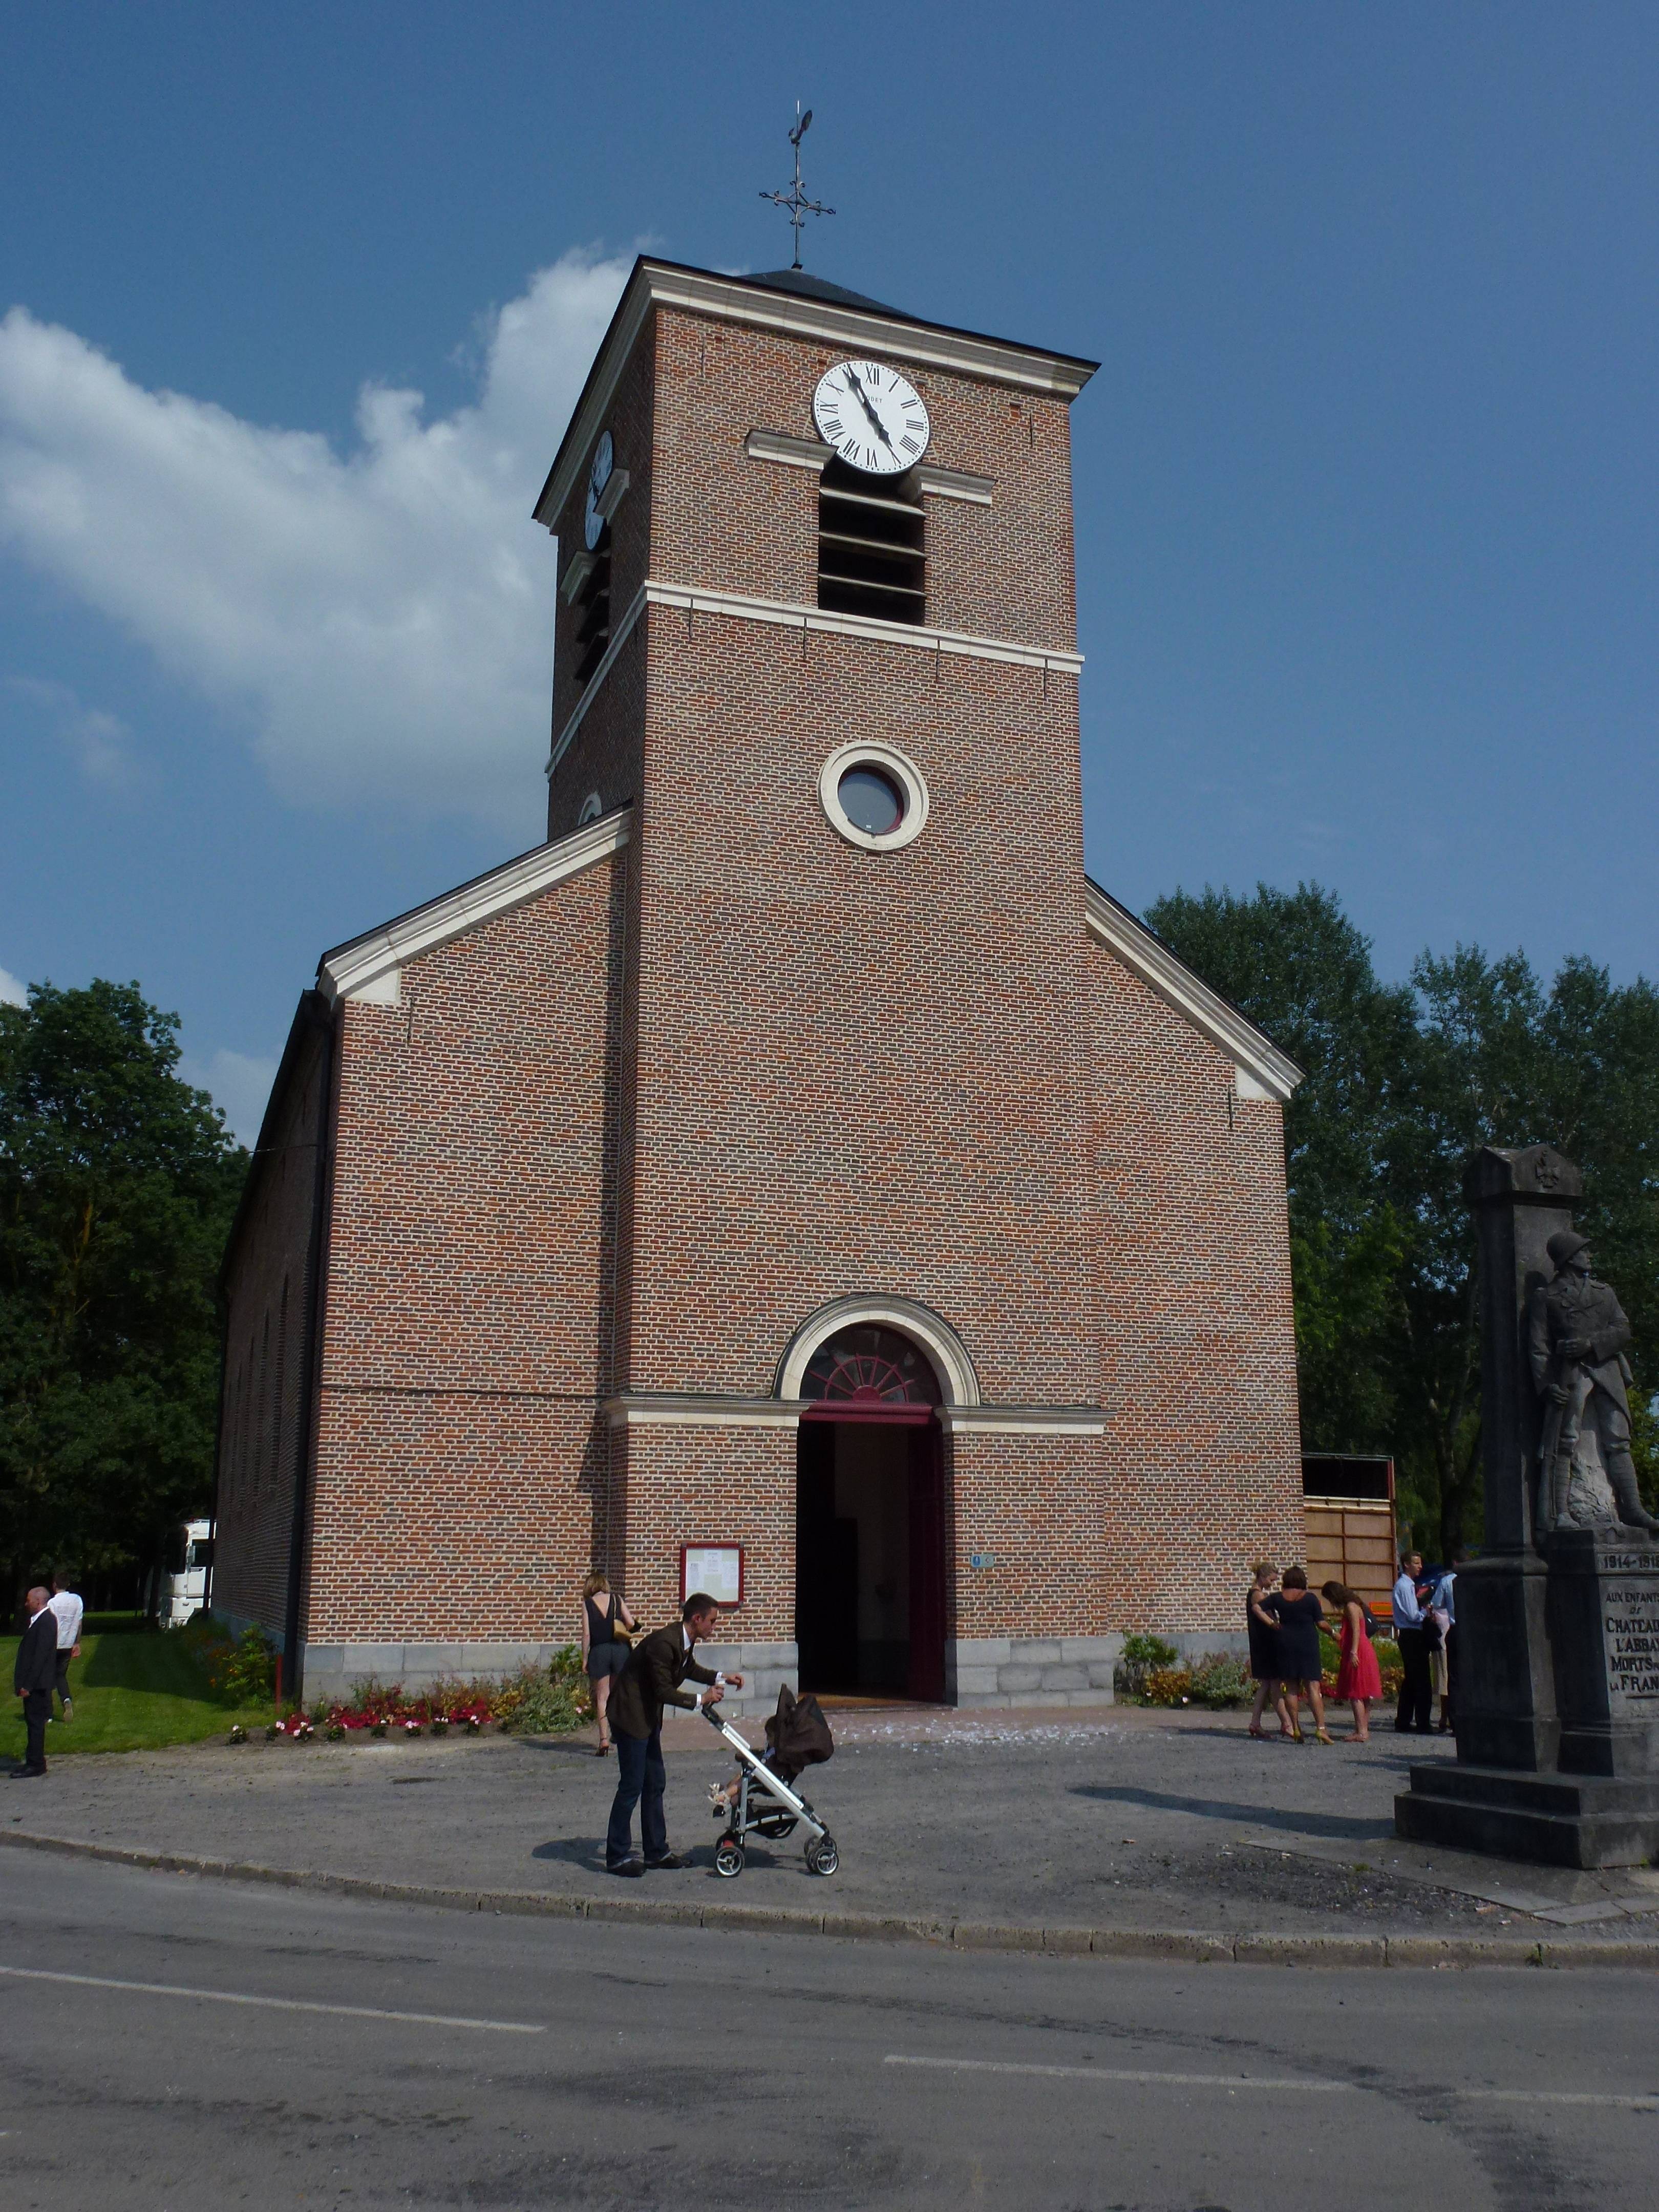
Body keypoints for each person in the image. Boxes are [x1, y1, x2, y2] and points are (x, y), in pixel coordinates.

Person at [1529, 1228, 1659, 1536]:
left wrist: (1590, 1343)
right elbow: (1538, 1348)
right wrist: (1547, 1385)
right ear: (1570, 1258)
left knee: (1618, 1440)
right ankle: (1560, 1512)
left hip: (1607, 1369)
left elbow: (1623, 1329)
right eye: (1584, 1251)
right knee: (1565, 1441)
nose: (1589, 1255)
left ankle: (1634, 1509)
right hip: (1570, 1374)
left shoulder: (1605, 1292)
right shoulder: (1546, 1298)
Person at [605, 1592, 744, 1877]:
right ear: (697, 1619)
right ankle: (616, 1856)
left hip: (646, 1718)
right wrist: (701, 1699)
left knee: (655, 1782)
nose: (714, 1627)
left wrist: (721, 1677)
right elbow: (663, 1691)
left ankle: (656, 1853)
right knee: (632, 1786)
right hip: (630, 1716)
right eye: (712, 1622)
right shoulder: (664, 1643)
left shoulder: (683, 1641)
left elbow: (688, 1667)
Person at [1266, 1567, 1330, 1743]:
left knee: (1292, 1687)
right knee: (1313, 1686)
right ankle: (1321, 1728)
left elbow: (1257, 1606)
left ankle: (1295, 1727)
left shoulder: (1278, 1598)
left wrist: (1272, 1623)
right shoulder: (1310, 1599)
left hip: (1286, 1643)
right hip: (1307, 1644)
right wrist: (1333, 1633)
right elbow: (1321, 1623)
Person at [580, 1569, 636, 1757]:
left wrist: (585, 1658)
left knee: (602, 1697)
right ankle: (622, 1734)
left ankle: (604, 1740)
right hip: (620, 1649)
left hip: (599, 1651)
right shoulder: (617, 1599)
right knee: (618, 1695)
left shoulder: (587, 1605)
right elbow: (630, 1623)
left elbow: (587, 1634)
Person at [1321, 1581, 1381, 1742]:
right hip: (1363, 1647)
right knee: (1364, 1692)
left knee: (1356, 1692)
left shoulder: (1351, 1607)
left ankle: (1361, 1731)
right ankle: (1363, 1728)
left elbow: (1356, 1630)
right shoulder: (1356, 1605)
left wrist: (1354, 1652)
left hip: (1359, 1649)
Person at [12, 1587, 59, 1778]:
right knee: (33, 1722)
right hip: (35, 1682)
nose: (26, 1603)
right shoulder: (39, 1621)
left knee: (36, 1723)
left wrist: (28, 1685)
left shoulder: (46, 1621)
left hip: (38, 1684)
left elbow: (40, 1656)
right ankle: (34, 1760)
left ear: (38, 1601)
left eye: (29, 1600)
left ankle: (36, 1763)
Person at [1244, 1561, 1292, 1740]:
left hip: (1261, 1645)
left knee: (1266, 1685)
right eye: (1271, 1580)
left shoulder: (1254, 1594)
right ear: (1263, 1577)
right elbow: (1266, 1617)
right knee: (1274, 1686)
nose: (1272, 1584)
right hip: (1266, 1646)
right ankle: (1286, 1724)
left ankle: (1255, 1723)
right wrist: (1276, 1626)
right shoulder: (1258, 1596)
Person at [1392, 1549, 1434, 1734]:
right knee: (1422, 1680)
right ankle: (1423, 1723)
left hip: (1409, 1635)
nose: (1420, 1567)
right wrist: (1426, 1611)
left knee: (1411, 1680)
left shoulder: (1407, 1585)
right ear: (1407, 1564)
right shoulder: (1405, 1586)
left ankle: (1403, 1720)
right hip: (1412, 1635)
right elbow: (1412, 1615)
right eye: (1416, 1563)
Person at [47, 1568, 83, 1722]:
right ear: (68, 1584)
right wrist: (77, 1642)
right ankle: (66, 1699)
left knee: (47, 1677)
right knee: (61, 1675)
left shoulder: (53, 1602)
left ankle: (48, 1713)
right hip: (68, 1643)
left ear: (55, 1585)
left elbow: (51, 1624)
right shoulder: (77, 1600)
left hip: (54, 1643)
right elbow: (79, 1623)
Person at [1431, 1555, 1461, 1733]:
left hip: (1454, 1628)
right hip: (1471, 1630)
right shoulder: (1473, 1579)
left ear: (1455, 1563)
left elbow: (1437, 1603)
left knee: (1454, 1677)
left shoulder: (1447, 1581)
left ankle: (1455, 1721)